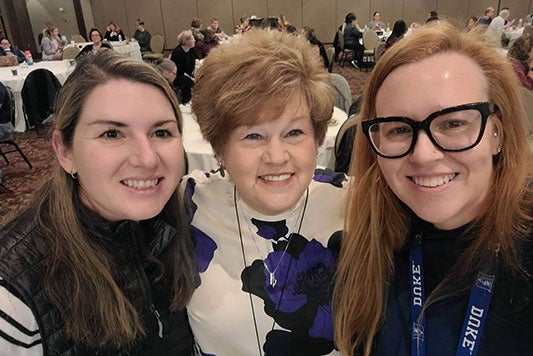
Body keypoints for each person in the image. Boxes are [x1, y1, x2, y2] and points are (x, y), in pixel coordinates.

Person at [334, 23, 533, 356]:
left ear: (496, 132)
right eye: (398, 128)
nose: (423, 155)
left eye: (453, 123)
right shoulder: (368, 249)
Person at [0, 50, 196, 355]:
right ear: (64, 152)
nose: (147, 158)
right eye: (112, 133)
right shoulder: (12, 292)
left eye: (161, 132)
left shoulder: (181, 220)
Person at [185, 29, 347, 355]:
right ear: (220, 149)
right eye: (253, 136)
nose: (276, 156)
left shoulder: (356, 204)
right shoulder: (186, 205)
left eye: (294, 132)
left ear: (317, 140)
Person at [170, 30, 197, 104]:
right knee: (187, 81)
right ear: (186, 41)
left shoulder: (191, 49)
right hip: (178, 76)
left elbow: (195, 59)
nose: (194, 40)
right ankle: (186, 102)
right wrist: (192, 78)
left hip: (188, 73)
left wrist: (197, 61)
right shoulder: (178, 53)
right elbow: (179, 72)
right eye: (192, 39)